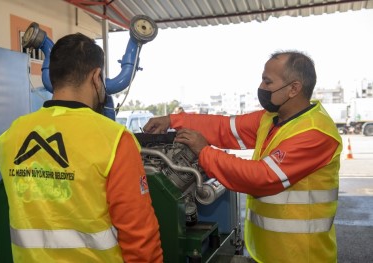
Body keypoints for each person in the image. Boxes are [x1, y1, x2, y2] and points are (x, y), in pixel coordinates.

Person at [144, 51, 342, 263]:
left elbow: (262, 177)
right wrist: (172, 120)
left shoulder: (314, 133)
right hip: (269, 252)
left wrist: (205, 152)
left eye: (268, 82)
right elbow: (224, 128)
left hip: (301, 255)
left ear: (294, 88)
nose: (261, 87)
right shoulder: (273, 119)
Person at [0, 33, 163, 263]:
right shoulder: (114, 140)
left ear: (53, 77)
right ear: (96, 76)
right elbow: (139, 237)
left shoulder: (9, 137)